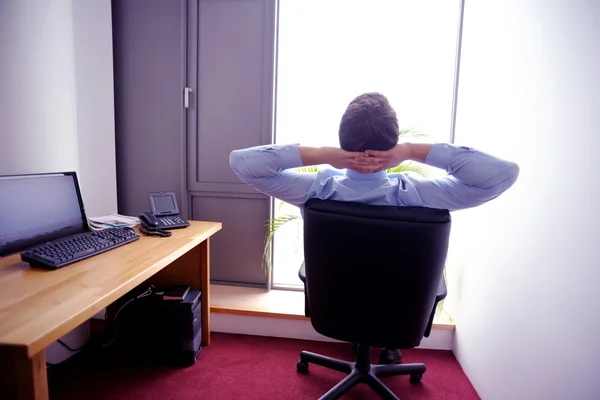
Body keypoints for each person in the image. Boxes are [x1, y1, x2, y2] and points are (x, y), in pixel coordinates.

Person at [229, 92, 520, 363]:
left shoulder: (318, 190)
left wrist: (326, 155)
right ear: (391, 144)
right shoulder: (420, 196)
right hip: (401, 314)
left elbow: (242, 163)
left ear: (342, 140)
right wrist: (410, 150)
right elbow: (502, 175)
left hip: (334, 309)